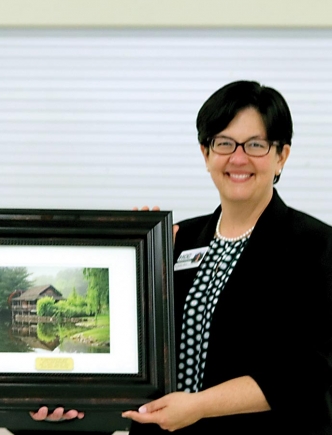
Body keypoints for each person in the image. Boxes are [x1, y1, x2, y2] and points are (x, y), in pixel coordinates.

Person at [121, 80, 332, 434]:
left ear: (281, 155)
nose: (238, 158)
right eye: (223, 143)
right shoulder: (175, 241)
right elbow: (135, 347)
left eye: (255, 144)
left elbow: (309, 370)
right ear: (206, 154)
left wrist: (199, 406)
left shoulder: (317, 246)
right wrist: (137, 268)